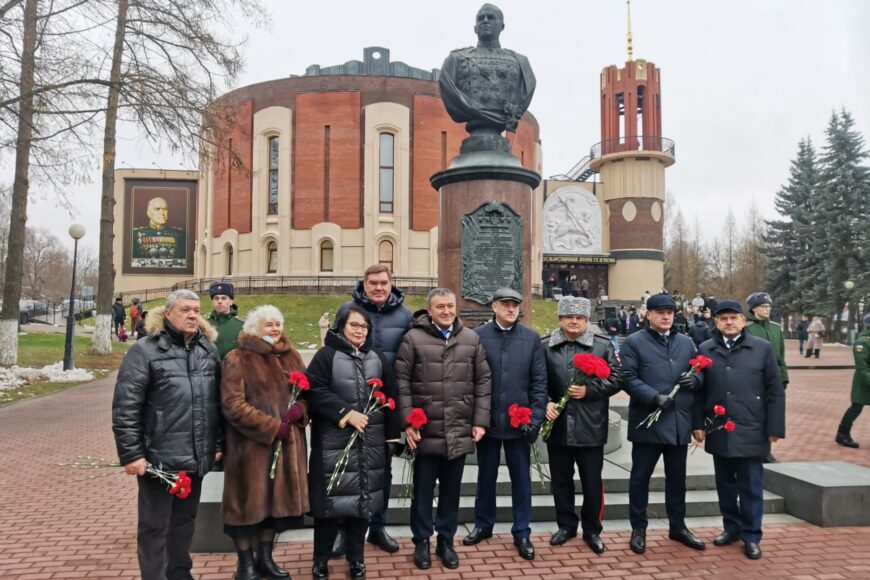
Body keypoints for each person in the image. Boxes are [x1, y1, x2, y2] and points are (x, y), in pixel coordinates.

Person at [112, 289, 223, 580]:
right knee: (154, 526)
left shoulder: (207, 350)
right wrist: (132, 454)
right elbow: (126, 406)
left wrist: (218, 443)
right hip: (158, 459)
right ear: (168, 313)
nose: (192, 315)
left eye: (197, 310)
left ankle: (179, 574)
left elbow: (216, 402)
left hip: (196, 455)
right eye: (185, 310)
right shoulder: (145, 350)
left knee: (184, 523)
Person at [396, 288, 491, 571]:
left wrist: (479, 420)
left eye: (450, 306)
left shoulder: (472, 339)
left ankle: (446, 541)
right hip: (425, 430)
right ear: (430, 310)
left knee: (451, 491)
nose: (447, 311)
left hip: (459, 427)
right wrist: (408, 423)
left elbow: (483, 381)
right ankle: (422, 541)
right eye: (440, 307)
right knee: (423, 491)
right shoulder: (413, 338)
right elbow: (401, 382)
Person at [306, 305, 400, 580]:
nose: (360, 331)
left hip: (370, 445)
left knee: (362, 506)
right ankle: (320, 561)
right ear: (341, 326)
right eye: (354, 325)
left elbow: (391, 397)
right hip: (334, 445)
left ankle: (356, 560)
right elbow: (314, 390)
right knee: (329, 508)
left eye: (364, 327)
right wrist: (345, 413)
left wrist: (392, 436)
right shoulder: (327, 356)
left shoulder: (377, 357)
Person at [219, 305, 309, 580]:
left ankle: (266, 559)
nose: (275, 329)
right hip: (251, 449)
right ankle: (245, 564)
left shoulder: (291, 355)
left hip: (287, 450)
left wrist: (301, 410)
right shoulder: (238, 358)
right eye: (268, 324)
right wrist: (271, 427)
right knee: (247, 507)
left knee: (274, 508)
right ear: (254, 328)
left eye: (278, 323)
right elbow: (233, 405)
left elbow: (307, 392)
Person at [693, 300, 785, 560]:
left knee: (751, 486)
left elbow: (775, 391)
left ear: (744, 321)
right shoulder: (706, 348)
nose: (729, 322)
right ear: (716, 322)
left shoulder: (762, 348)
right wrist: (698, 423)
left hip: (752, 428)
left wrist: (774, 427)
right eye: (723, 319)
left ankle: (751, 535)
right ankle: (731, 528)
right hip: (720, 428)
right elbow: (699, 392)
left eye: (734, 318)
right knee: (725, 485)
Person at [332, 265, 413, 556]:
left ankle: (377, 526)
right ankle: (344, 530)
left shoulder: (405, 316)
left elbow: (410, 358)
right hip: (351, 401)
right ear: (364, 284)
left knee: (383, 470)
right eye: (373, 283)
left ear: (392, 284)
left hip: (384, 404)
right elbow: (332, 349)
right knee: (348, 469)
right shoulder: (348, 309)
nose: (379, 288)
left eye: (383, 283)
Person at [463, 288, 547, 560]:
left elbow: (539, 382)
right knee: (485, 477)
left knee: (521, 480)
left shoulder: (531, 338)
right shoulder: (478, 336)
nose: (512, 309)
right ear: (494, 307)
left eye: (515, 305)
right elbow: (471, 380)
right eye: (506, 304)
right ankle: (483, 524)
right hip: (488, 422)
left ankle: (522, 531)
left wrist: (534, 419)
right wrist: (477, 418)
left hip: (518, 424)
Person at [620, 293, 706, 555]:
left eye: (670, 311)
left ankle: (678, 526)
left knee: (677, 480)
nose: (666, 316)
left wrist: (697, 381)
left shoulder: (686, 342)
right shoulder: (633, 342)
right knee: (640, 479)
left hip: (678, 423)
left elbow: (699, 373)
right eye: (660, 312)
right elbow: (628, 378)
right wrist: (654, 397)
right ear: (648, 314)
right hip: (648, 422)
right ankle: (638, 528)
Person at [543, 297, 621, 554]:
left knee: (591, 482)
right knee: (561, 480)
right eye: (568, 317)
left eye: (580, 318)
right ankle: (566, 525)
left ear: (587, 321)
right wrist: (545, 402)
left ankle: (592, 530)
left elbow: (618, 378)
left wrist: (590, 390)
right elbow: (535, 380)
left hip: (590, 425)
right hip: (559, 426)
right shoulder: (546, 347)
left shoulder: (602, 346)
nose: (574, 321)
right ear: (560, 319)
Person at [438, 3, 535, 137]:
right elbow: (449, 91)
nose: (485, 21)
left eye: (491, 17)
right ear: (475, 28)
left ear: (502, 26)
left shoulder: (521, 62)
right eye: (481, 18)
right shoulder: (456, 59)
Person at [744, 292, 789, 463]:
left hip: (774, 379)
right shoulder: (746, 328)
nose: (767, 309)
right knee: (755, 415)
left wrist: (783, 378)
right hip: (753, 379)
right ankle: (760, 451)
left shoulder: (775, 328)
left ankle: (765, 451)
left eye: (769, 306)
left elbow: (781, 357)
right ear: (754, 308)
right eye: (763, 306)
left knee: (771, 415)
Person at [835, 313, 870, 448]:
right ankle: (842, 434)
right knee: (856, 407)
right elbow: (862, 367)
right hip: (864, 382)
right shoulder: (862, 342)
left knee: (856, 407)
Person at [132, 196, 186, 263]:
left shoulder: (180, 234)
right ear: (148, 213)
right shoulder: (135, 234)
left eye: (165, 209)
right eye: (157, 209)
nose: (162, 213)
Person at [206, 281, 244, 359]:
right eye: (216, 298)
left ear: (231, 302)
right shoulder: (205, 325)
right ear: (213, 302)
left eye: (223, 298)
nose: (219, 301)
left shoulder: (242, 325)